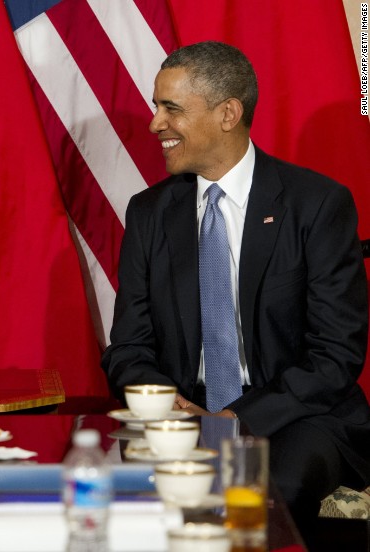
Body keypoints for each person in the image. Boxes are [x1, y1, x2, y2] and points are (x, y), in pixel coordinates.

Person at [102, 41, 370, 541]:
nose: (155, 123)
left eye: (171, 108)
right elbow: (129, 347)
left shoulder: (316, 205)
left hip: (293, 415)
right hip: (180, 415)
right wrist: (167, 403)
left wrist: (231, 419)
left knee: (254, 499)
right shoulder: (149, 213)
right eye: (156, 106)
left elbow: (335, 356)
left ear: (228, 114)